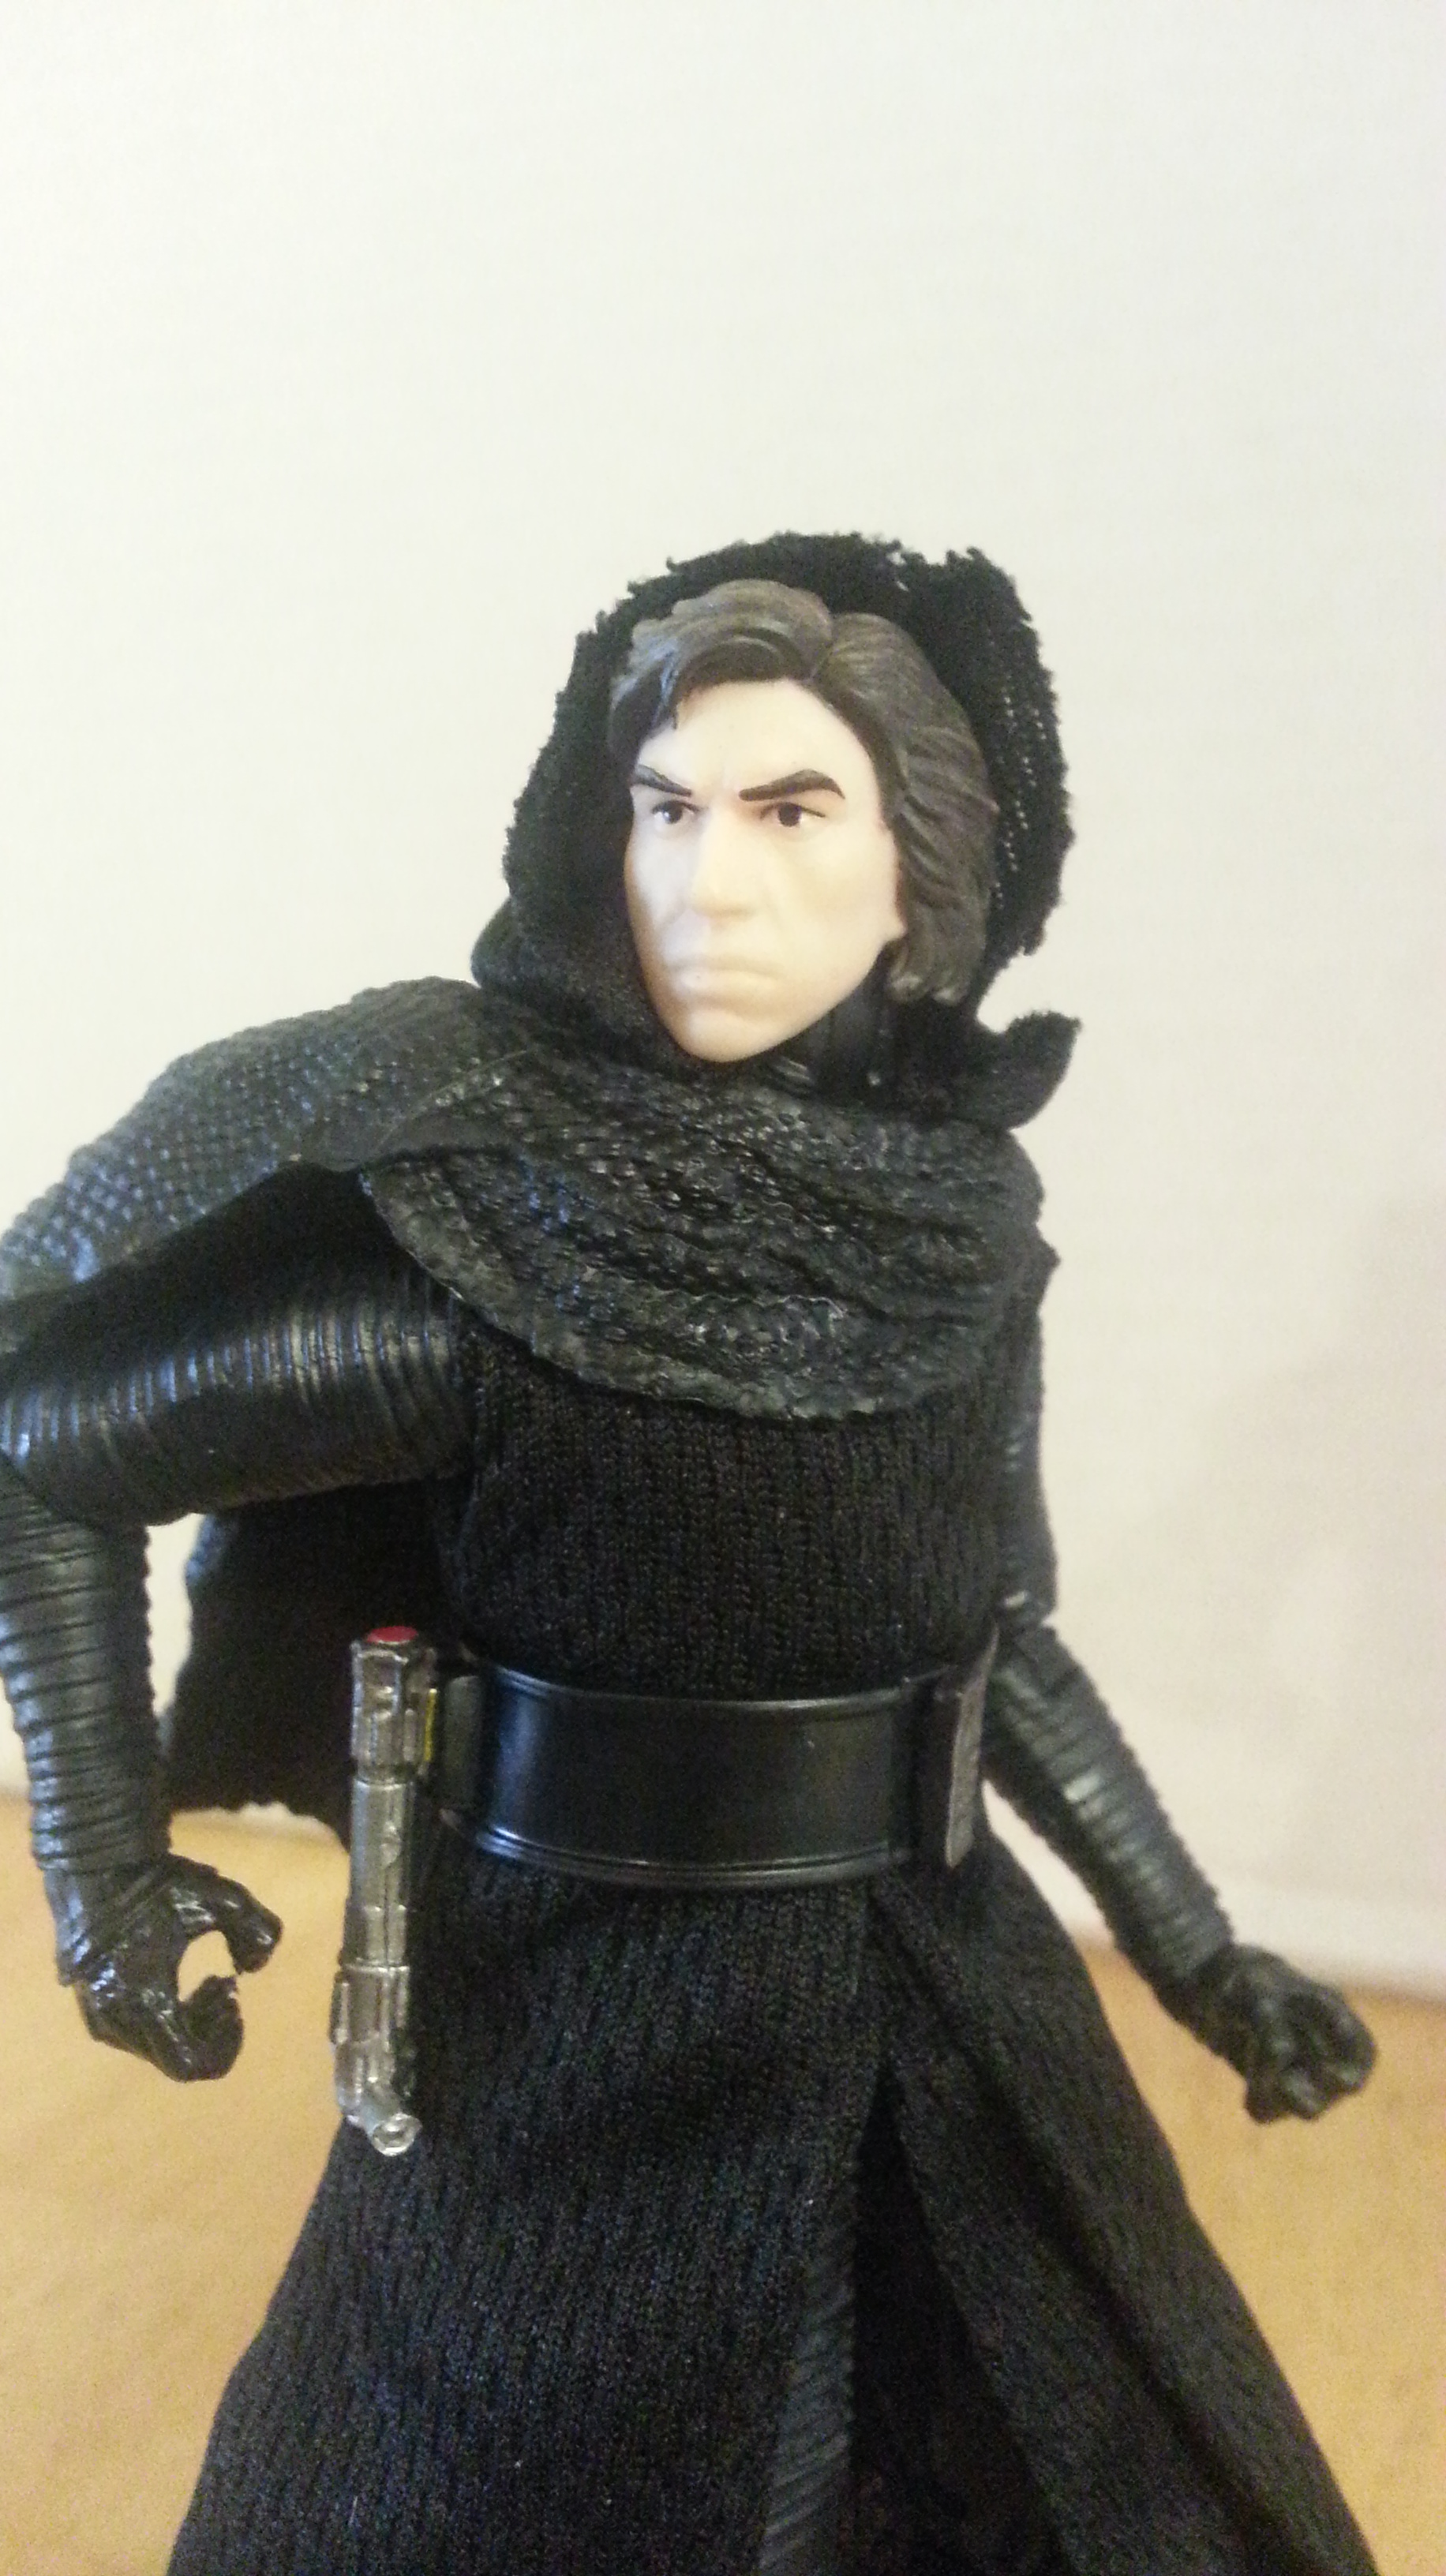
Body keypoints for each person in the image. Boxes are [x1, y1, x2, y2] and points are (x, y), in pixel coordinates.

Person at [0, 537, 1377, 2574]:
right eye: (666, 809)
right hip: (573, 2040)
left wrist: (1202, 1957)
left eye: (790, 813)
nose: (707, 882)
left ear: (919, 879)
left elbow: (997, 1643)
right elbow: (49, 1448)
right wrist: (104, 1877)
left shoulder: (959, 1242)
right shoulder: (508, 1235)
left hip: (934, 1997)